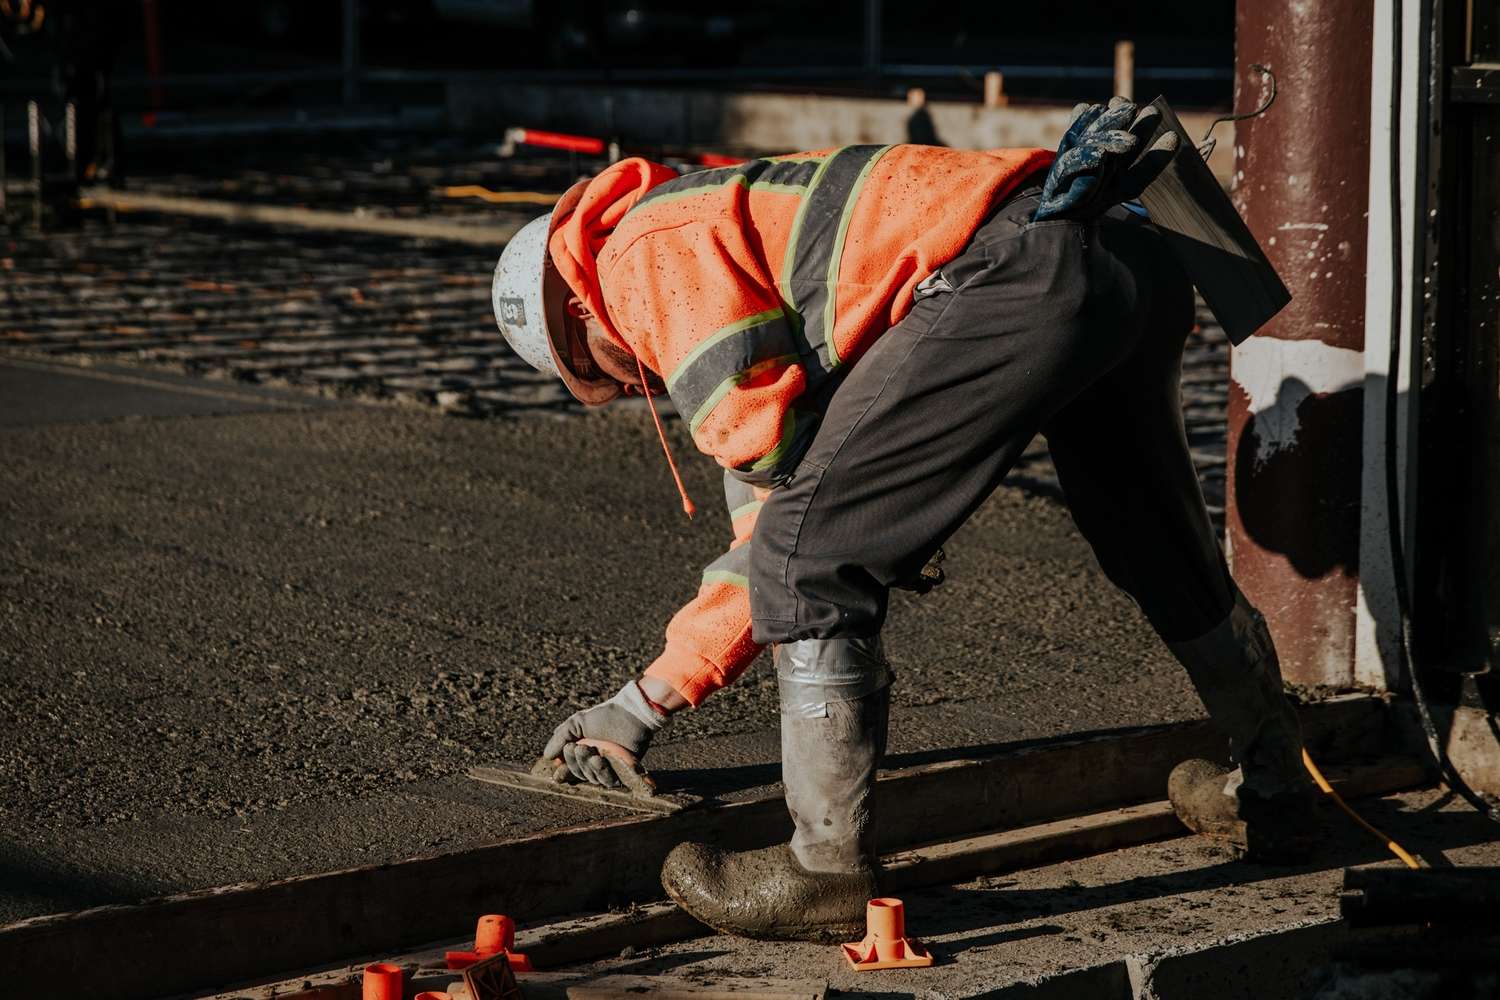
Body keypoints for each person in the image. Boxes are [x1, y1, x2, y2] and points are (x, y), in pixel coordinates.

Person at [490, 99, 1321, 943]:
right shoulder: (715, 222)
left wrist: (640, 706)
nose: (635, 387)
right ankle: (1278, 784)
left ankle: (824, 870)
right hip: (1123, 249)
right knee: (1155, 541)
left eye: (604, 374)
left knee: (809, 559)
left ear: (579, 314)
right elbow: (786, 488)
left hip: (1020, 267)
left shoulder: (644, 263)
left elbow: (784, 533)